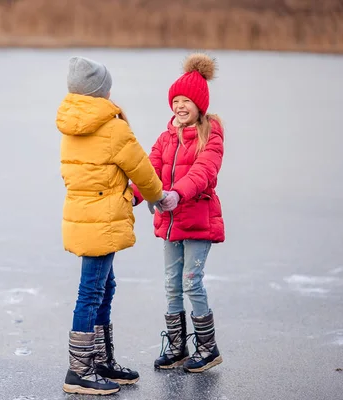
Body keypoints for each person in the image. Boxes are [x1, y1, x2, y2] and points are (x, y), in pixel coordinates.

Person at [56, 56, 164, 395]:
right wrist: (157, 197)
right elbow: (142, 169)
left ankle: (101, 360)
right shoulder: (113, 127)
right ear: (101, 91)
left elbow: (72, 174)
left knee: (104, 286)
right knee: (90, 292)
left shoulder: (71, 127)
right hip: (101, 220)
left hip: (83, 215)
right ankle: (79, 371)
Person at [133, 52, 225, 373]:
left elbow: (203, 173)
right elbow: (149, 170)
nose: (180, 106)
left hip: (198, 222)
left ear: (200, 106)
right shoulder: (165, 137)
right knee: (172, 284)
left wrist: (176, 193)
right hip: (170, 224)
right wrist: (134, 194)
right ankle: (177, 346)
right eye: (176, 100)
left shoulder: (210, 136)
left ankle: (208, 348)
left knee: (191, 282)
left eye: (187, 100)